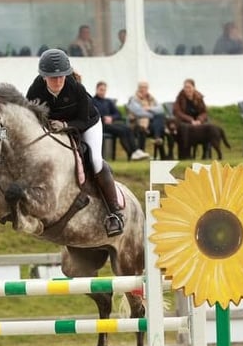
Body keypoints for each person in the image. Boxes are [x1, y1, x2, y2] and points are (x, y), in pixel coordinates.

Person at [25, 49, 124, 237]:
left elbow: (84, 120)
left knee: (94, 161)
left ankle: (114, 213)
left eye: (61, 76)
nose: (58, 81)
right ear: (44, 77)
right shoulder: (35, 90)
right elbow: (29, 118)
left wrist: (64, 125)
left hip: (86, 124)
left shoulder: (75, 87)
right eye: (53, 77)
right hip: (53, 128)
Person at [91, 81, 149, 161]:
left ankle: (135, 151)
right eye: (101, 90)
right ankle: (132, 153)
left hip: (111, 124)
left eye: (104, 90)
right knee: (121, 131)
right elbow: (92, 114)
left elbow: (118, 114)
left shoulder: (108, 102)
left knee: (127, 128)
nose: (103, 92)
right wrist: (103, 118)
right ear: (96, 89)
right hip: (100, 125)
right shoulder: (92, 101)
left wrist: (111, 118)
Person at [172, 78, 224, 159]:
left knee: (208, 126)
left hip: (198, 122)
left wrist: (199, 120)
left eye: (189, 87)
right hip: (185, 122)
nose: (187, 89)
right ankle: (186, 154)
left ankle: (206, 153)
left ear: (193, 88)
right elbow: (177, 112)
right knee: (184, 128)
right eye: (185, 87)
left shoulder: (199, 97)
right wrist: (191, 120)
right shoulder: (179, 98)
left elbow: (204, 112)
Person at [126, 81, 166, 152]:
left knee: (160, 118)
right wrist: (153, 114)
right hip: (137, 123)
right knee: (157, 120)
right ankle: (156, 138)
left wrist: (149, 108)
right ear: (138, 89)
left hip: (150, 124)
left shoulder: (151, 98)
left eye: (145, 87)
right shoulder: (133, 99)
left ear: (148, 89)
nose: (143, 89)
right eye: (141, 87)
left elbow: (161, 109)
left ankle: (159, 143)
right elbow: (139, 112)